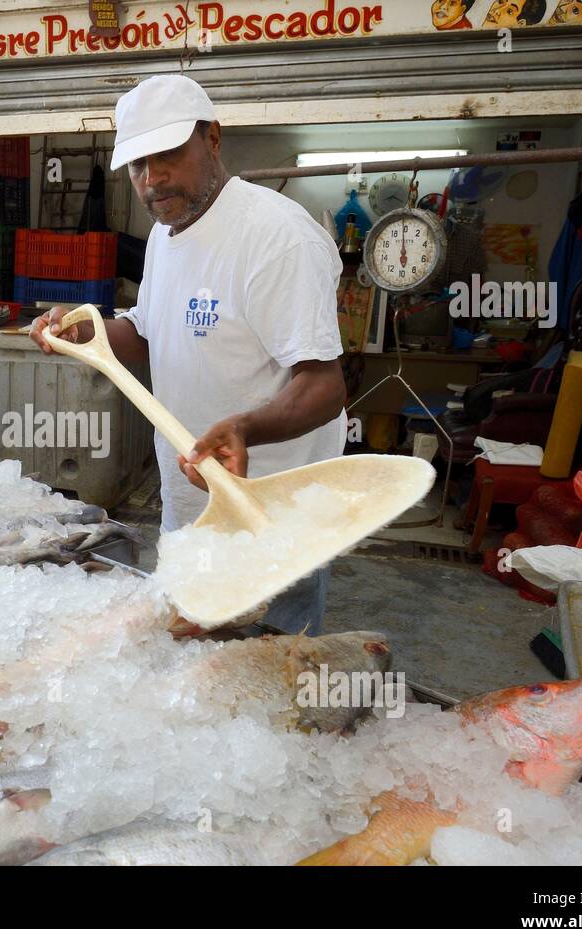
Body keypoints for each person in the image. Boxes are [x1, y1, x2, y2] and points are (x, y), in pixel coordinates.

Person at [31, 75, 347, 635]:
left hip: (267, 517)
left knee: (269, 690)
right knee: (197, 695)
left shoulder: (277, 237)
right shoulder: (164, 233)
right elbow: (149, 333)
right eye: (137, 167)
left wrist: (245, 427)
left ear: (214, 139)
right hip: (188, 504)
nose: (152, 180)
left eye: (168, 156)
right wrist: (90, 333)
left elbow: (324, 385)